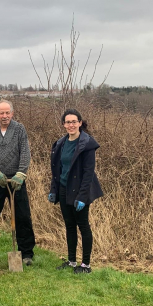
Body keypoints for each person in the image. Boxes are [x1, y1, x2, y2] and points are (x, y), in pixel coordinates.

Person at [0, 100, 35, 265]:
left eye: (7, 113)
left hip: (16, 180)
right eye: (1, 113)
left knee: (23, 216)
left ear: (12, 113)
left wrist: (21, 174)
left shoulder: (19, 129)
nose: (4, 116)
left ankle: (26, 254)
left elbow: (25, 152)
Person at [48, 109, 103, 274]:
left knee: (83, 226)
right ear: (63, 124)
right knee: (69, 225)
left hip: (80, 191)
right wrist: (54, 189)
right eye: (67, 122)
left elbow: (88, 174)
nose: (70, 125)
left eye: (74, 121)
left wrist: (82, 196)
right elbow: (57, 169)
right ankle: (72, 261)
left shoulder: (87, 144)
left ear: (80, 123)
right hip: (64, 189)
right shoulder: (61, 144)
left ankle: (86, 265)